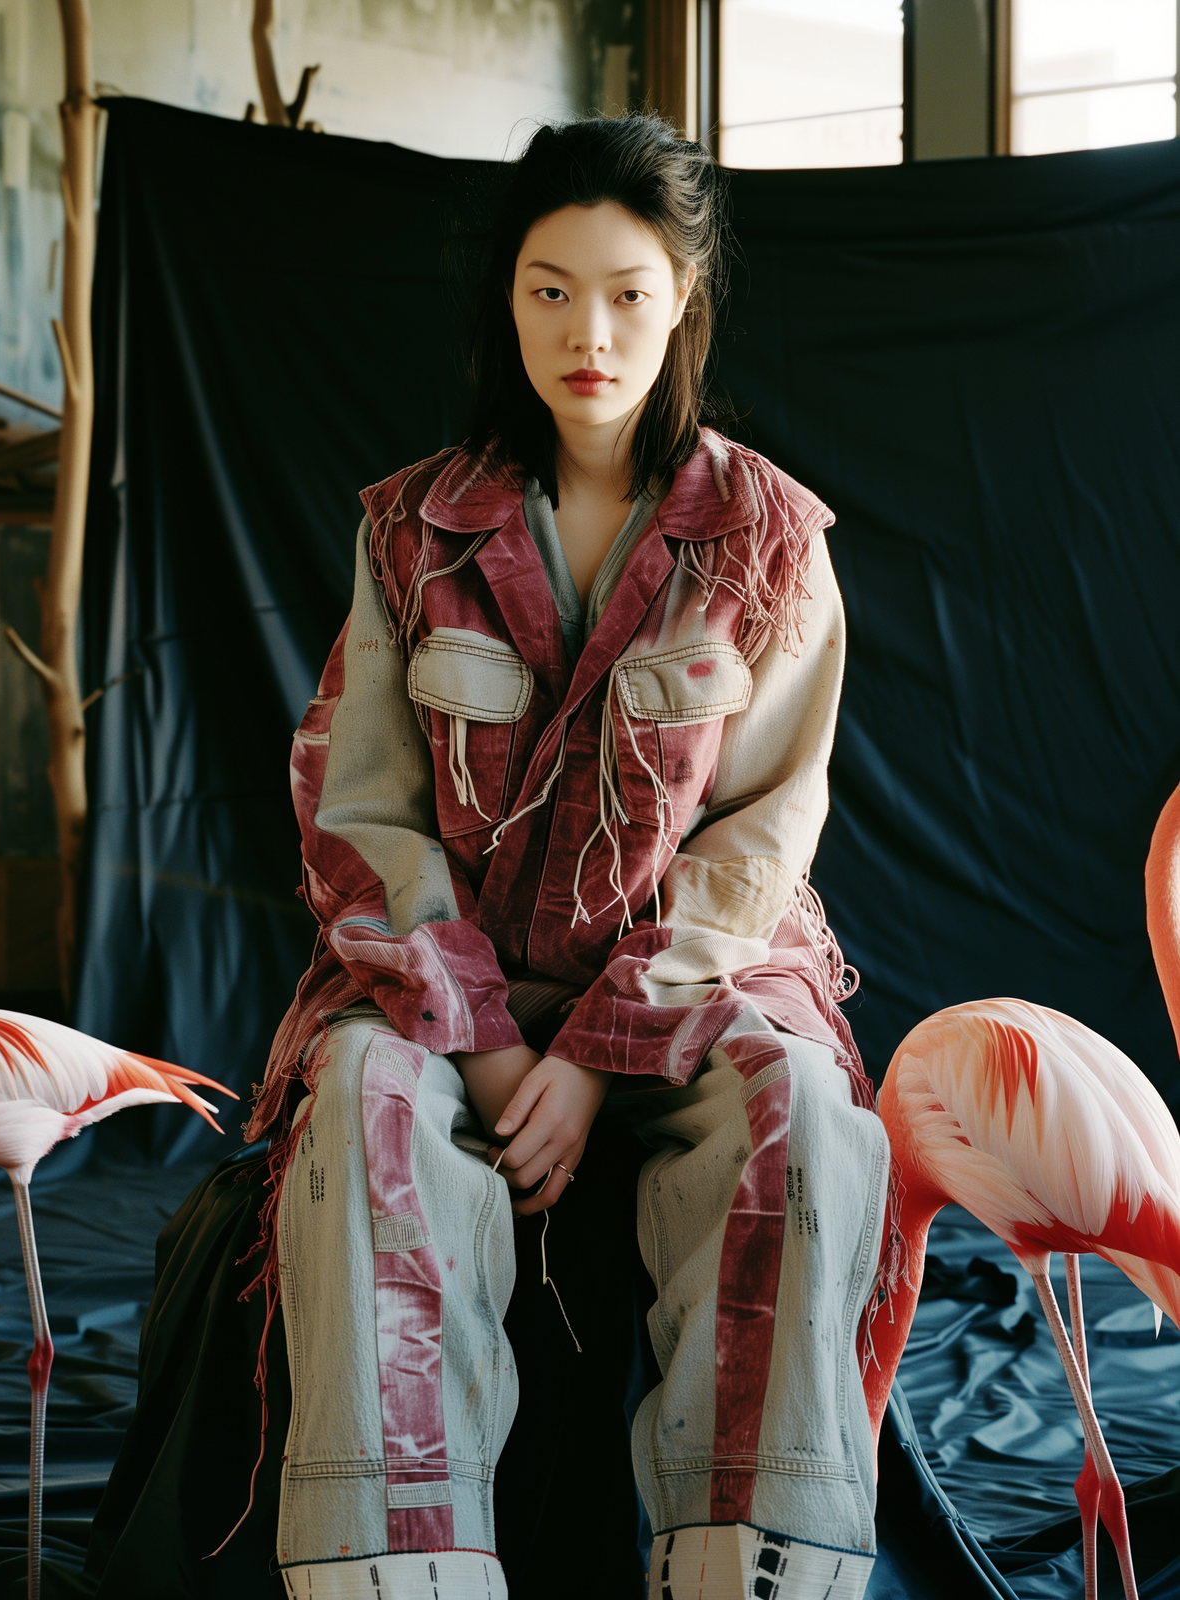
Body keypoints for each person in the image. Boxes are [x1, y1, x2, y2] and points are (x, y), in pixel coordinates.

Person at [244, 113, 891, 1600]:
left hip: (688, 985)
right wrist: (473, 1047)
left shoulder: (772, 539)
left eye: (625, 290)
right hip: (448, 980)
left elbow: (761, 835)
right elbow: (364, 814)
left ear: (682, 300)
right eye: (549, 289)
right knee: (356, 1096)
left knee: (799, 1107)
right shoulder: (412, 531)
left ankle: (757, 1566)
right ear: (508, 301)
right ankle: (399, 1570)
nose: (586, 332)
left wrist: (599, 1053)